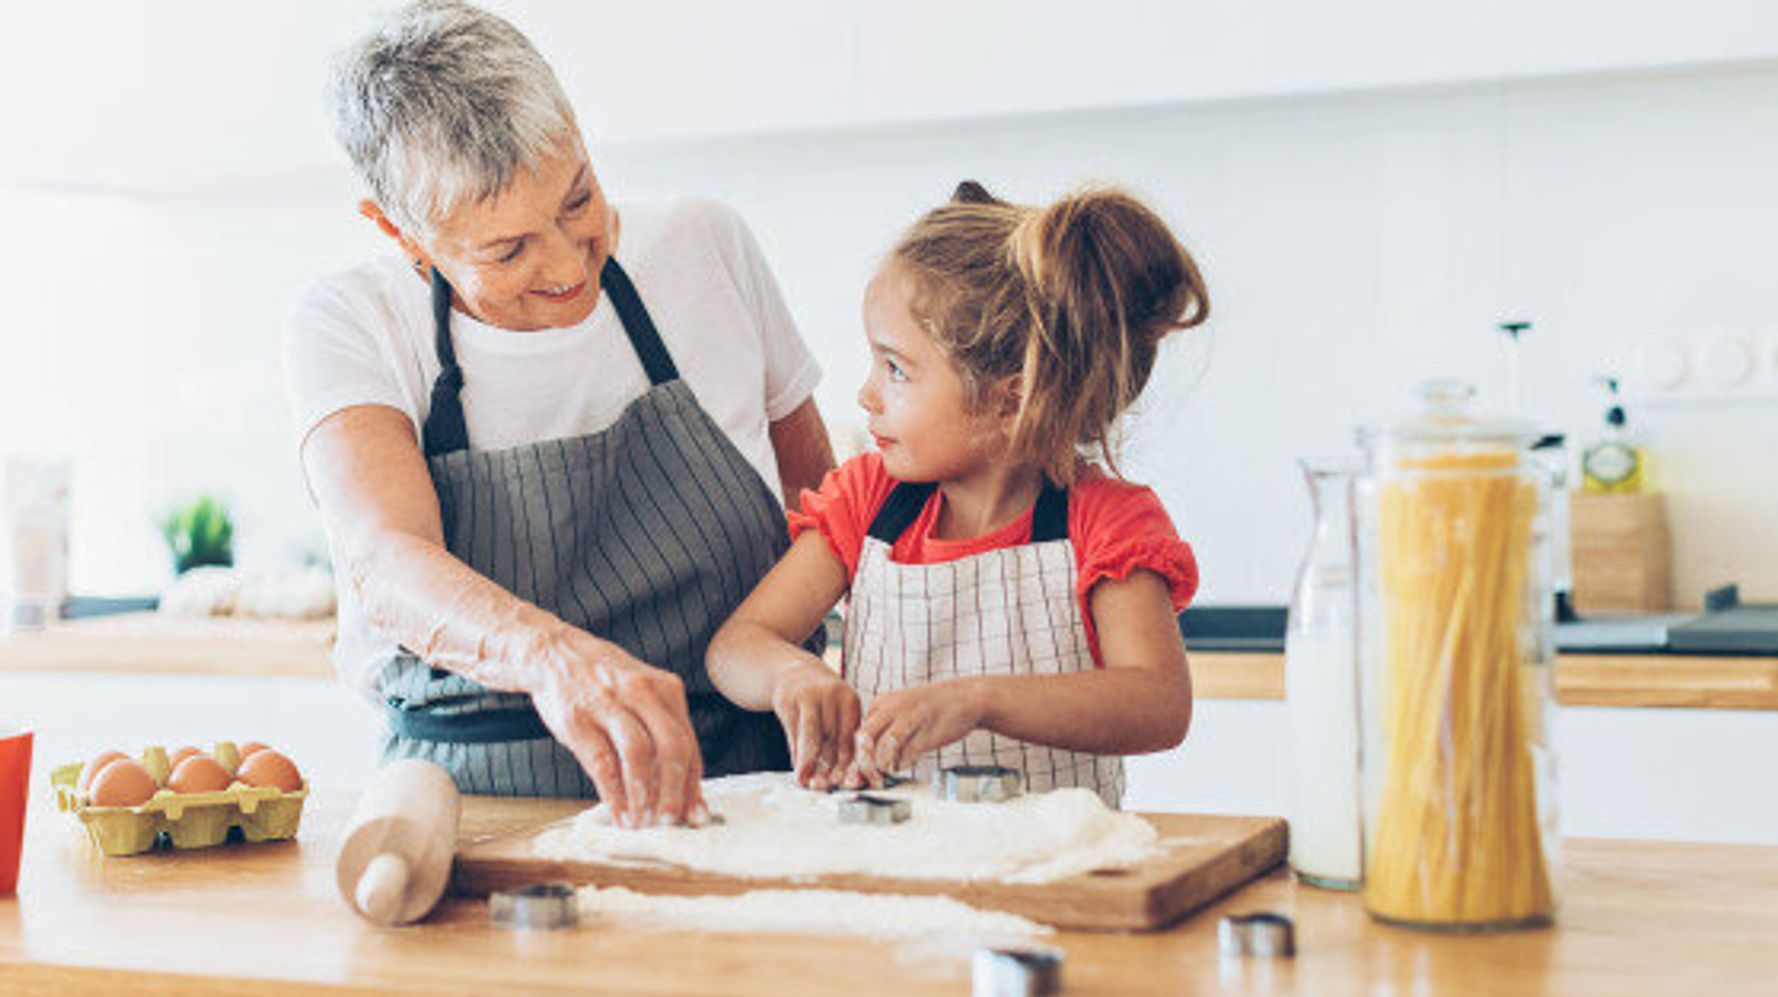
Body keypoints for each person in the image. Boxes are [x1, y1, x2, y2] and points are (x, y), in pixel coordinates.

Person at [281, 0, 833, 825]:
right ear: (401, 233)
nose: (568, 265)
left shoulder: (705, 245)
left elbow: (828, 502)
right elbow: (386, 559)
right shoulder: (351, 322)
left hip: (750, 789)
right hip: (477, 802)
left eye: (578, 202)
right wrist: (552, 658)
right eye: (506, 249)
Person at [707, 181, 1207, 808]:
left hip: (1055, 870)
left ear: (1011, 398)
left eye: (896, 368)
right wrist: (791, 674)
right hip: (893, 867)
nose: (866, 394)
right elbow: (737, 646)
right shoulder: (868, 501)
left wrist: (978, 700)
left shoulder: (1103, 522)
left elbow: (1158, 703)